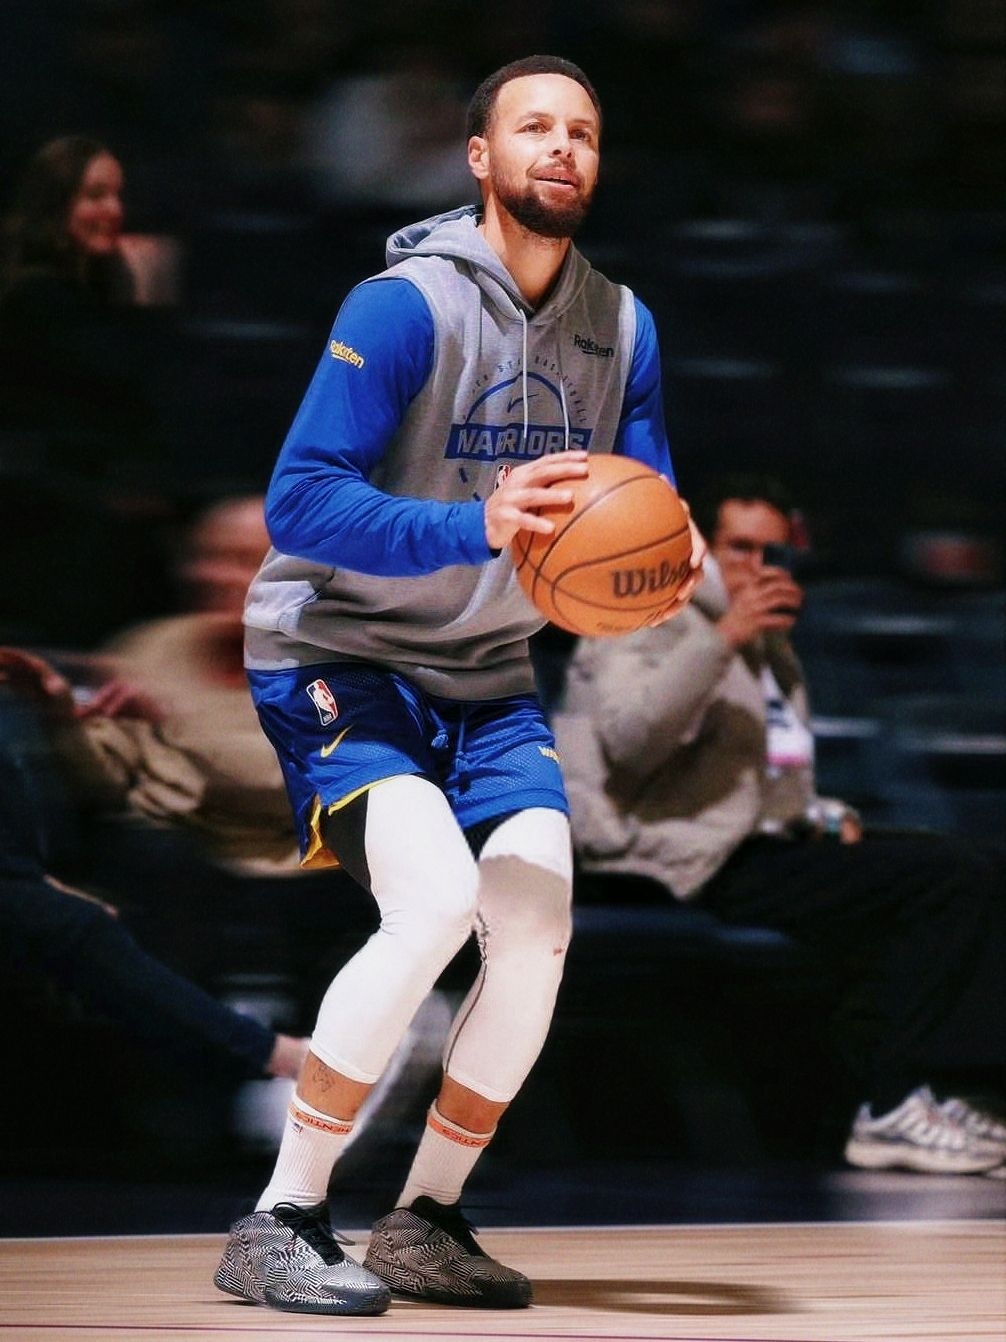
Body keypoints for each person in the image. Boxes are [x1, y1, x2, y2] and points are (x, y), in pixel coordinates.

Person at [214, 54, 704, 1317]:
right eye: (533, 126)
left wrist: (666, 559)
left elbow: (637, 504)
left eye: (582, 130)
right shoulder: (399, 306)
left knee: (536, 925)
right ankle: (279, 1215)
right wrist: (474, 524)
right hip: (340, 650)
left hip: (484, 669)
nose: (561, 146)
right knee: (432, 900)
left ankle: (422, 1219)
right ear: (480, 157)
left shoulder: (625, 326)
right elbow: (299, 501)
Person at [554, 471, 1006, 1178]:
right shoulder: (645, 615)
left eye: (774, 553)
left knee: (963, 865)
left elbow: (773, 776)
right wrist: (724, 638)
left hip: (735, 847)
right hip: (652, 856)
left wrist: (823, 817)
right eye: (740, 548)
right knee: (945, 880)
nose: (759, 567)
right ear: (699, 548)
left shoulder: (766, 642)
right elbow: (630, 742)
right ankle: (892, 1105)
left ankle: (905, 1096)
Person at [0, 650, 309, 1099]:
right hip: (171, 840)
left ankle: (265, 1068)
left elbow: (275, 783)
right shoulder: (157, 650)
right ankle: (276, 1064)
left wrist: (163, 722)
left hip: (261, 843)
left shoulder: (306, 668)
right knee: (104, 908)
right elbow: (105, 779)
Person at [0, 135, 178, 648]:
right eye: (95, 195)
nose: (113, 210)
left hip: (83, 520)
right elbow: (131, 384)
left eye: (118, 196)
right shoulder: (36, 298)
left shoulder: (87, 293)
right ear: (56, 204)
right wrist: (149, 299)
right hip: (51, 534)